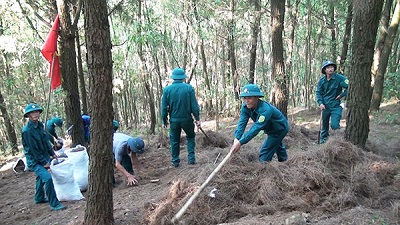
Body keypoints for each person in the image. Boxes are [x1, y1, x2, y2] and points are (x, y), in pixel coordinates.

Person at [21, 103, 66, 211]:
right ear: (29, 115)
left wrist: (52, 153)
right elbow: (33, 149)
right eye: (32, 113)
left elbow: (45, 141)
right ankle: (54, 204)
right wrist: (43, 162)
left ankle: (39, 197)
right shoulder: (27, 131)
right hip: (34, 161)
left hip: (44, 156)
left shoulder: (40, 126)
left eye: (37, 112)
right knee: (47, 178)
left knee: (39, 177)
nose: (35, 114)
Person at [230, 84, 289, 162]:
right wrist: (236, 138)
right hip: (270, 128)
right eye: (245, 98)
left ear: (257, 97)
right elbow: (242, 124)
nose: (246, 101)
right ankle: (285, 162)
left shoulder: (265, 110)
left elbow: (256, 128)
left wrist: (240, 142)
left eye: (249, 98)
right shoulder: (245, 107)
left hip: (280, 128)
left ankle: (264, 168)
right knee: (277, 144)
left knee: (265, 153)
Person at [161, 68, 201, 167]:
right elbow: (194, 106)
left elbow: (164, 108)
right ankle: (191, 159)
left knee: (174, 140)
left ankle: (175, 161)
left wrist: (164, 121)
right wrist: (197, 119)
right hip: (187, 119)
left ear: (173, 78)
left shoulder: (167, 90)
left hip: (174, 120)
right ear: (183, 78)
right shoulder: (189, 88)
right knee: (191, 137)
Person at [316, 60, 349, 143]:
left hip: (336, 106)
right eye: (328, 68)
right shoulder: (321, 81)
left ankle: (338, 141)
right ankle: (323, 142)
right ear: (324, 70)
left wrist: (341, 95)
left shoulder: (340, 78)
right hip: (325, 106)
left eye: (332, 67)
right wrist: (320, 103)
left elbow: (350, 86)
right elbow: (318, 92)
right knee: (324, 126)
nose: (330, 69)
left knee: (334, 125)